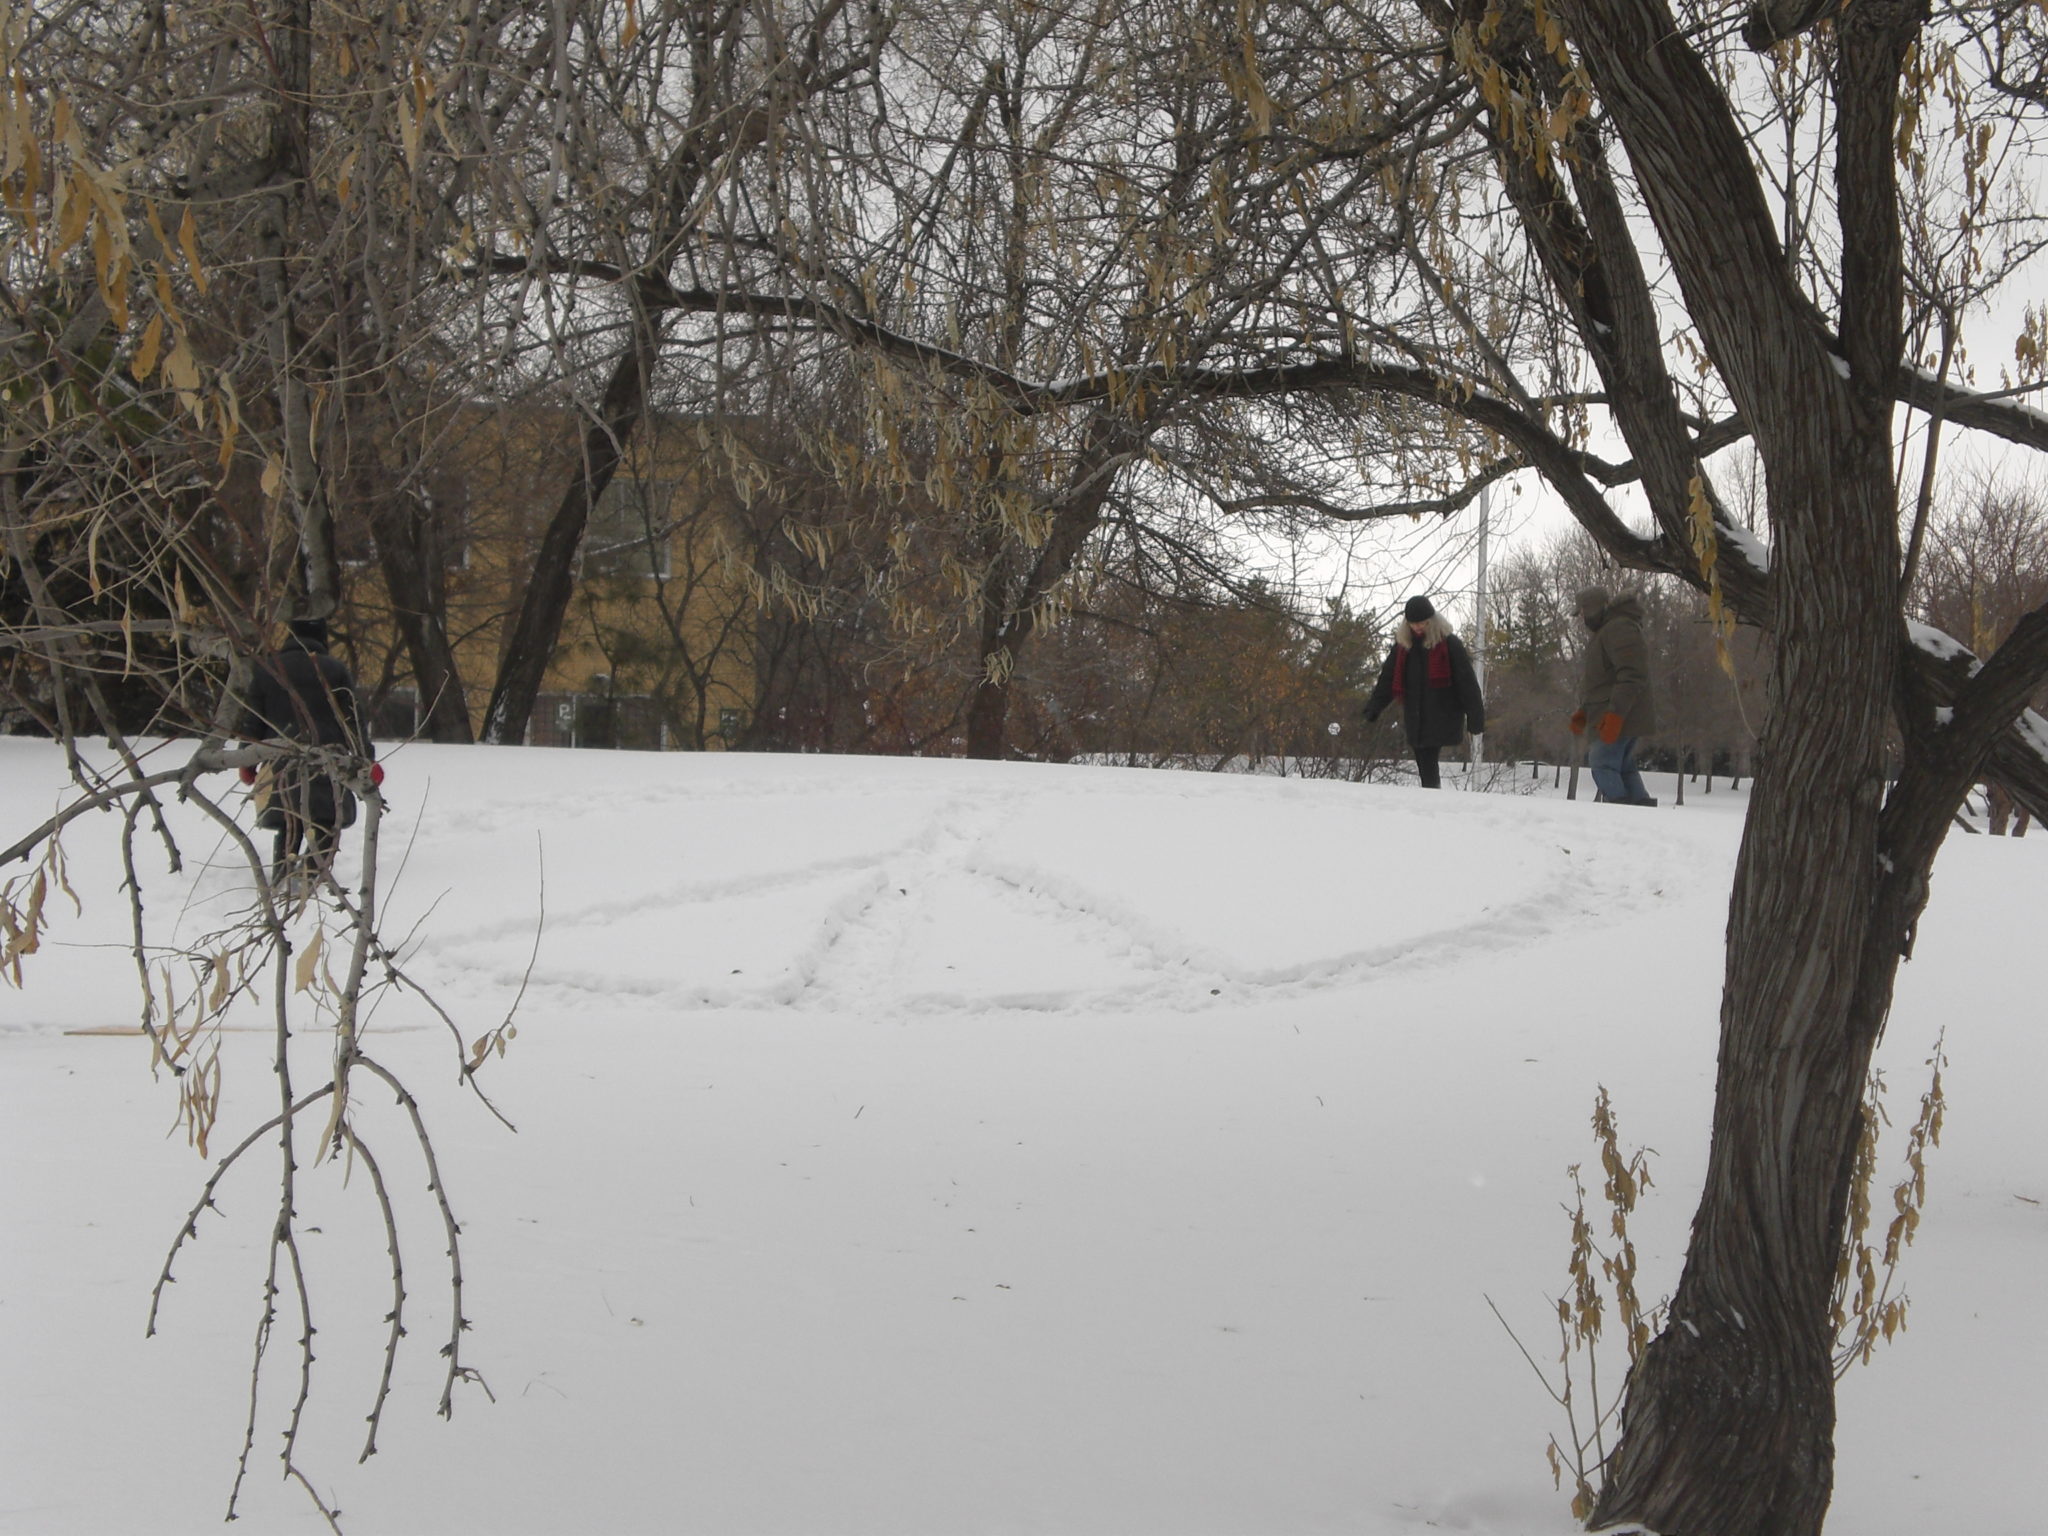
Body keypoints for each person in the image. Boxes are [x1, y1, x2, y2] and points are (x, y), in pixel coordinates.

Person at [235, 616, 381, 888]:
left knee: (288, 817)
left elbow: (252, 720)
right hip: (326, 757)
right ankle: (312, 876)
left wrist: (247, 759)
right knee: (325, 818)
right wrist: (365, 758)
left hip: (280, 760)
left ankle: (283, 873)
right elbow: (353, 719)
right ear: (322, 639)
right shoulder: (335, 670)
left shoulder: (268, 669)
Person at [1362, 595, 1486, 789]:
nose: (1418, 627)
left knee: (1427, 757)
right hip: (1415, 714)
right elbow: (1387, 679)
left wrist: (1475, 716)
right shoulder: (1403, 648)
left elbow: (1467, 683)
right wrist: (1374, 708)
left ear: (1432, 620)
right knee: (1423, 757)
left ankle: (1431, 799)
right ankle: (1430, 797)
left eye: (1423, 623)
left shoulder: (1450, 644)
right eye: (1413, 623)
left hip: (1443, 712)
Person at [1568, 585, 1658, 807]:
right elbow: (1602, 683)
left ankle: (1621, 810)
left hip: (1619, 714)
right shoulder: (1608, 631)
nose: (1582, 619)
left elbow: (1632, 675)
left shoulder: (1619, 628)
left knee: (1602, 762)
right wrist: (1584, 713)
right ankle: (1639, 808)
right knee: (1623, 765)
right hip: (1607, 713)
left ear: (1595, 608)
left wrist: (1615, 715)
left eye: (1582, 613)